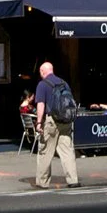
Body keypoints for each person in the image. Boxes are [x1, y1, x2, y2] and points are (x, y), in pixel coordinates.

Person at [32, 61, 80, 190]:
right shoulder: (64, 83)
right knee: (67, 151)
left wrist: (39, 122)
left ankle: (42, 182)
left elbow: (40, 104)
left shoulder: (42, 84)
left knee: (45, 151)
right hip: (65, 121)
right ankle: (73, 180)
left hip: (51, 121)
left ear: (42, 72)